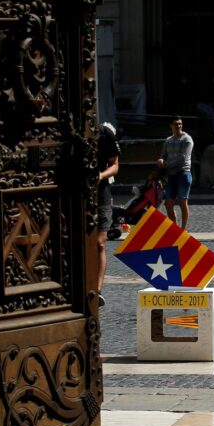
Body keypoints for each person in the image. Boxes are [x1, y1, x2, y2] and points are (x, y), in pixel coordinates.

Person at [94, 122, 120, 308]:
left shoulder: (105, 134)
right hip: (74, 193)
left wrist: (101, 176)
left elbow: (115, 165)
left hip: (101, 193)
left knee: (99, 243)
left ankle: (97, 290)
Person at [157, 115, 194, 230]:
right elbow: (163, 155)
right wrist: (161, 160)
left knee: (183, 201)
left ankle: (183, 228)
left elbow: (183, 159)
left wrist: (166, 164)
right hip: (171, 175)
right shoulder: (168, 140)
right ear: (171, 126)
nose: (178, 126)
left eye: (180, 124)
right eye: (176, 124)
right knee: (168, 203)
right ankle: (175, 229)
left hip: (183, 173)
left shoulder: (187, 139)